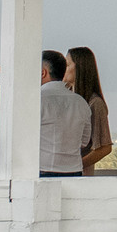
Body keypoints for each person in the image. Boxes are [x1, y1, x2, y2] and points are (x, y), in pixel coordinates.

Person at [38, 49, 92, 178]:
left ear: (42, 73)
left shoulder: (38, 100)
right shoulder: (81, 102)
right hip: (74, 170)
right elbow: (84, 141)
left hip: (43, 169)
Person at [67, 46, 113, 174]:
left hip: (80, 176)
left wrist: (76, 166)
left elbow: (105, 147)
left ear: (79, 68)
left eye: (67, 65)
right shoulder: (67, 98)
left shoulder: (95, 103)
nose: (63, 70)